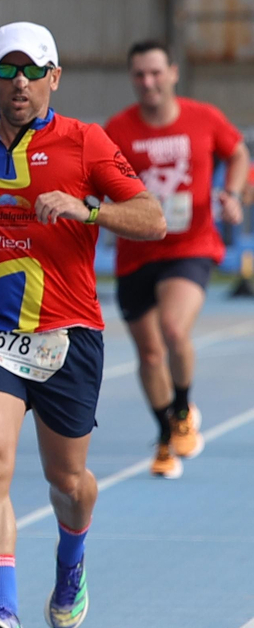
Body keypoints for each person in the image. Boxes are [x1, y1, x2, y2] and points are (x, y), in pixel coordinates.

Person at [0, 22, 164, 628]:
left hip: (69, 334)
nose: (19, 82)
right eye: (7, 70)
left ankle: (72, 557)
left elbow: (152, 218)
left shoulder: (86, 141)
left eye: (32, 71)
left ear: (55, 77)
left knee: (68, 479)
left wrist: (88, 210)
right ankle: (4, 612)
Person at [104, 40, 249, 479]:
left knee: (171, 328)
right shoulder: (118, 129)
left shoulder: (203, 118)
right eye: (139, 75)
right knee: (149, 355)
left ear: (172, 73)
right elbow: (96, 176)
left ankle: (182, 409)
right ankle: (165, 434)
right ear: (132, 79)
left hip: (190, 246)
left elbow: (238, 152)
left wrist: (234, 194)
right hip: (135, 252)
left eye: (155, 73)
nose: (148, 82)